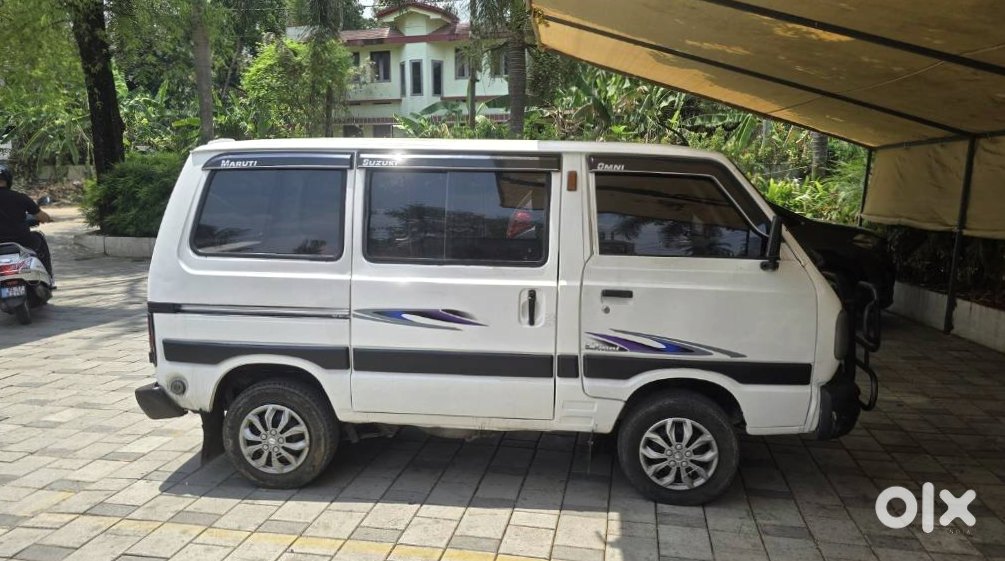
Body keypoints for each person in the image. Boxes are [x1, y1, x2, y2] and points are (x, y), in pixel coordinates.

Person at [0, 165, 55, 287]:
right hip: (23, 240)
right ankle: (48, 277)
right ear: (8, 180)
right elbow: (41, 216)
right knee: (39, 237)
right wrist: (48, 218)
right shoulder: (20, 197)